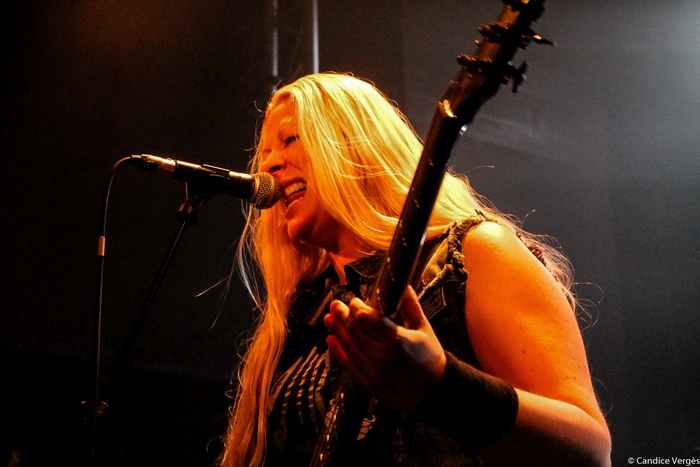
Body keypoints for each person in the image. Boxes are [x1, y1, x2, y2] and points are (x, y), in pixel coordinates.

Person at [219, 73, 611, 466]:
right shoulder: (300, 318)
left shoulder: (472, 252)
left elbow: (590, 450)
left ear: (354, 146)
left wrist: (440, 386)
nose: (268, 164)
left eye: (290, 139)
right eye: (265, 152)